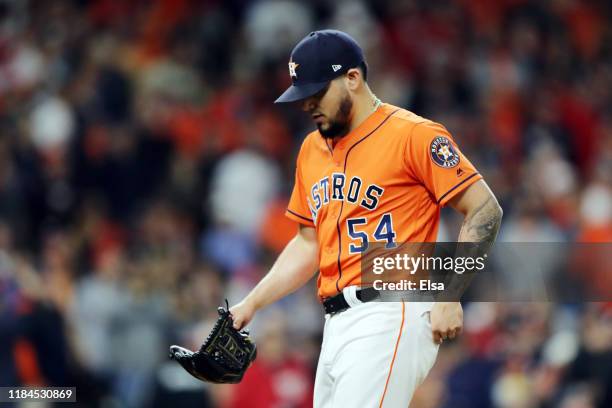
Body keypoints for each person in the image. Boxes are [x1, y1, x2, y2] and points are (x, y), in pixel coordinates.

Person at [230, 29, 503, 407]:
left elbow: (485, 208)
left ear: (353, 78)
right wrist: (252, 303)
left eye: (316, 93)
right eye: (302, 97)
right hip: (337, 322)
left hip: (392, 309)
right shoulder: (311, 149)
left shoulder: (414, 135)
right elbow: (309, 243)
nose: (308, 105)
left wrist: (451, 293)